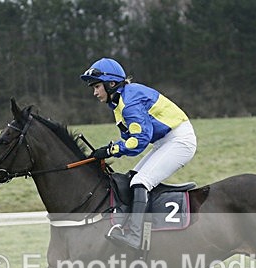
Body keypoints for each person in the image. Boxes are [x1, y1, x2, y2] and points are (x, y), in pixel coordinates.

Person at [80, 57, 197, 250]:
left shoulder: (129, 101)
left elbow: (139, 140)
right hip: (164, 141)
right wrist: (111, 150)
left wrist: (110, 150)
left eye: (97, 86)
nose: (95, 92)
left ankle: (135, 236)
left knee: (140, 182)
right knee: (131, 178)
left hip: (179, 140)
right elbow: (131, 142)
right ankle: (128, 226)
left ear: (111, 83)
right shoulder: (118, 103)